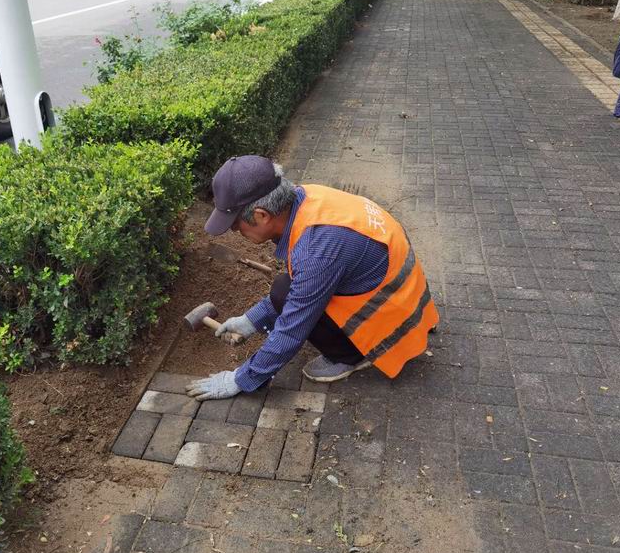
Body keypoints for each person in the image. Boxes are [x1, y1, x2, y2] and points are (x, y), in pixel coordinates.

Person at [186, 155, 439, 401]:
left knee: (286, 295)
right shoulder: (305, 197)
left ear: (262, 215)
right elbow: (300, 286)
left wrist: (241, 379)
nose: (234, 231)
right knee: (283, 289)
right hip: (403, 293)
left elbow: (292, 330)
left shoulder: (316, 252)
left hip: (390, 318)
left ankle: (351, 356)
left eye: (235, 224)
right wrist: (250, 321)